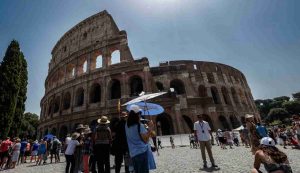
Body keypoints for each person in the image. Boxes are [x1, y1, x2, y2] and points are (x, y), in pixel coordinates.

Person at [125, 104, 154, 173]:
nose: (140, 115)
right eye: (139, 113)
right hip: (141, 152)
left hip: (132, 153)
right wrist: (150, 128)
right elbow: (146, 140)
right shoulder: (140, 126)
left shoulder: (126, 125)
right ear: (137, 115)